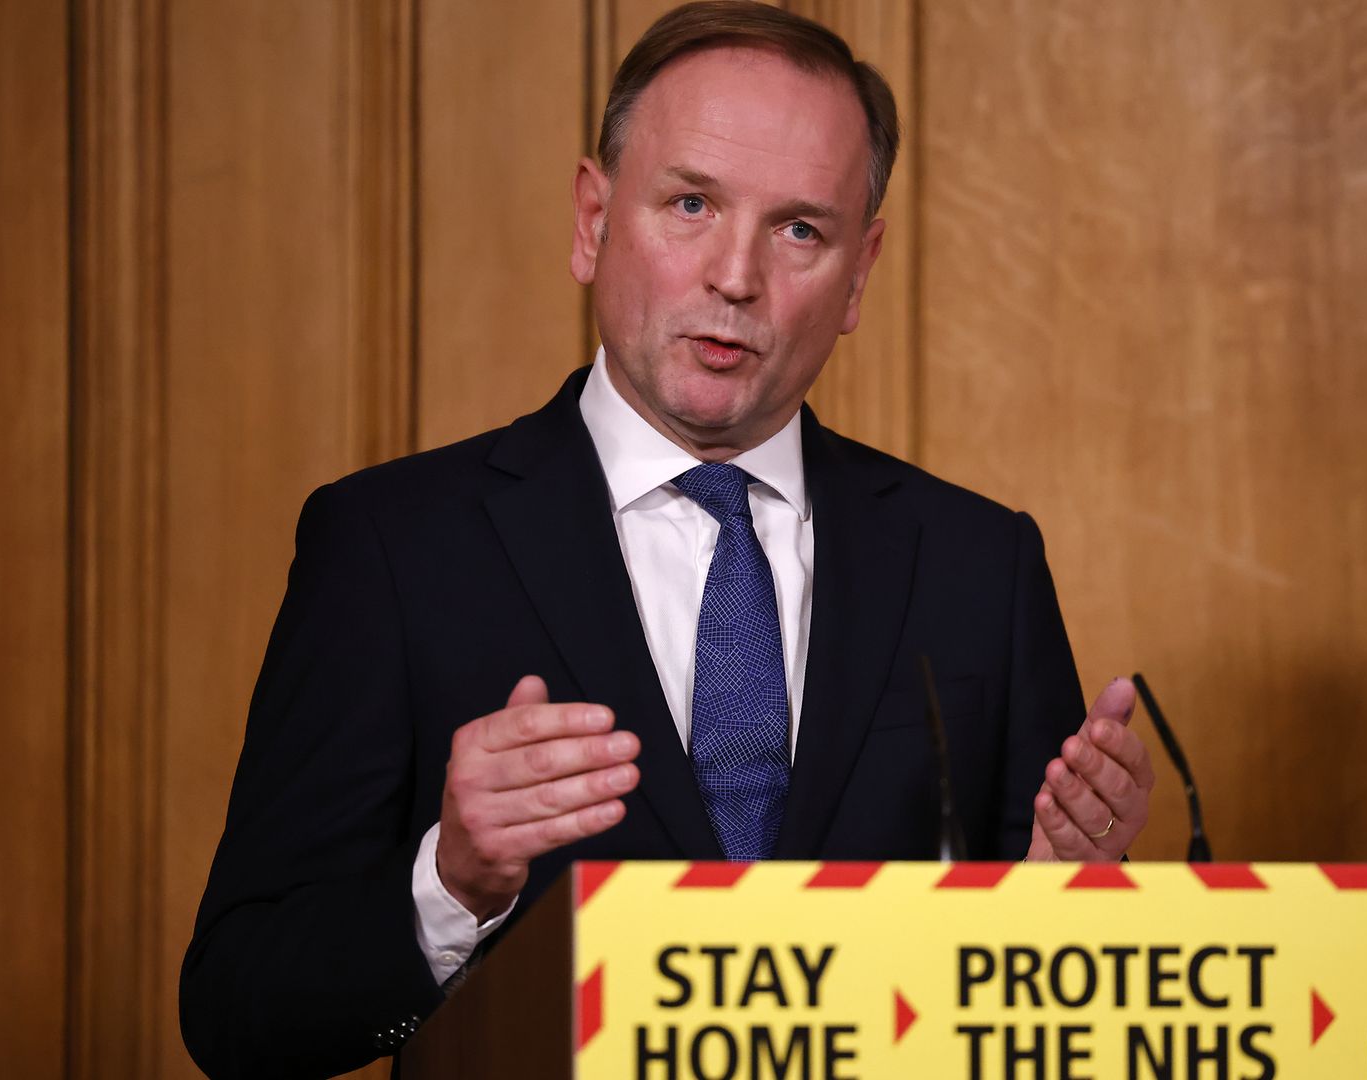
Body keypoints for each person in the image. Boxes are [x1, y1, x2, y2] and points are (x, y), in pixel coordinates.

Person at [179, 3, 1156, 1077]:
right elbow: (238, 1017)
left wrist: (1068, 903)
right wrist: (452, 886)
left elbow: (1054, 1024)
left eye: (799, 231)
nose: (736, 278)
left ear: (860, 273)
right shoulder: (390, 548)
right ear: (593, 220)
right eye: (691, 203)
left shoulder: (981, 564)